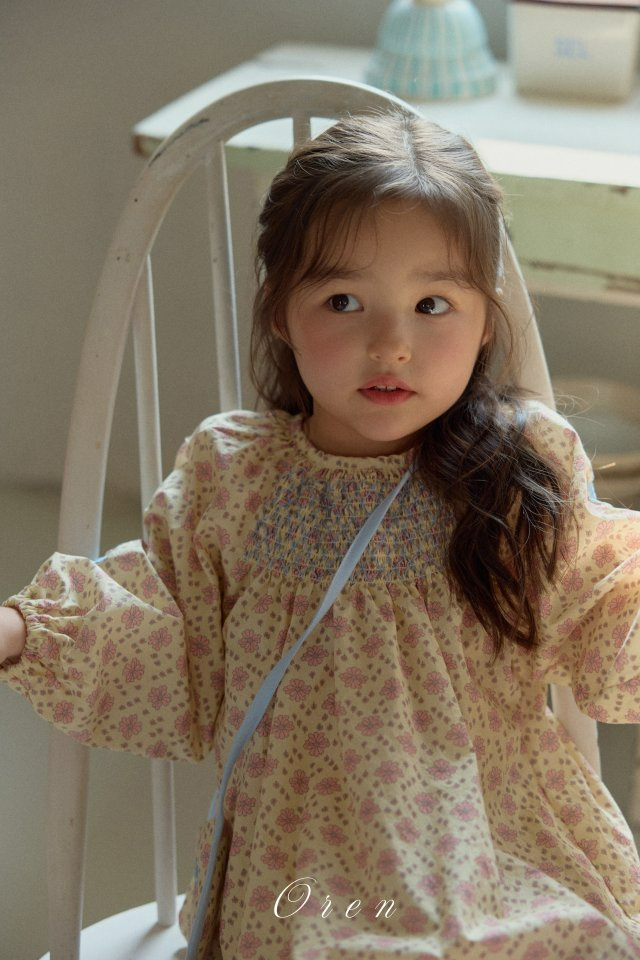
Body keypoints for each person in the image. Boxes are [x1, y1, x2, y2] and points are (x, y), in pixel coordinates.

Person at [2, 109, 640, 960]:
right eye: (343, 301)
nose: (392, 344)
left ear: (486, 320)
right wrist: (22, 631)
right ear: (280, 311)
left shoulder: (516, 471)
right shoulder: (237, 478)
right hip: (307, 878)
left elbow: (606, 606)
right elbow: (169, 638)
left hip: (499, 849)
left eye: (433, 304)